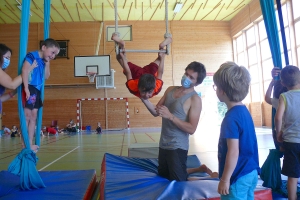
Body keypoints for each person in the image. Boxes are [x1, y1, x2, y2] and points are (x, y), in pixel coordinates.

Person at [143, 61, 206, 181]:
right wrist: (143, 98)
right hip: (163, 144)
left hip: (177, 147)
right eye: (186, 74)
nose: (186, 78)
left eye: (191, 77)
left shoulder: (195, 99)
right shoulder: (170, 90)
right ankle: (198, 169)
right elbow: (156, 112)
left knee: (179, 182)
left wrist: (170, 116)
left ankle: (210, 177)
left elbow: (192, 129)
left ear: (197, 83)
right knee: (164, 177)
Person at [213, 61, 260, 199]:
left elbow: (233, 152)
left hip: (237, 177)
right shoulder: (244, 111)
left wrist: (225, 179)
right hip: (250, 173)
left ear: (222, 91)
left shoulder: (230, 118)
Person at [21, 38, 60, 152]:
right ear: (44, 47)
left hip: (37, 90)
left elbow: (47, 76)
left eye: (55, 55)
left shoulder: (44, 61)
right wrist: (26, 88)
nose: (53, 56)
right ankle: (25, 144)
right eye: (52, 52)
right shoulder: (32, 56)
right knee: (27, 116)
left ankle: (29, 143)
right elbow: (24, 70)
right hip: (30, 87)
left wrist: (48, 62)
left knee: (34, 117)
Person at [111, 33, 172, 100]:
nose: (146, 95)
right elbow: (160, 72)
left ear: (138, 87)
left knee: (120, 58)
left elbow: (128, 72)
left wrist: (123, 58)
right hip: (150, 74)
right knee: (160, 58)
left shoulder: (133, 87)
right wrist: (163, 57)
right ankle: (162, 46)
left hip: (137, 74)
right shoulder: (156, 88)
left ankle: (121, 45)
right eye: (146, 92)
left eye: (146, 92)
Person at [275, 65, 300, 200]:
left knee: (292, 176)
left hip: (291, 142)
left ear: (283, 83)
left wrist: (279, 133)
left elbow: (278, 117)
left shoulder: (284, 96)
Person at [265, 67, 288, 150]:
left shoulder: (276, 101)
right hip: (292, 133)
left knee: (285, 152)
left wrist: (271, 84)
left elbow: (267, 98)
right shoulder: (293, 98)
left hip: (280, 133)